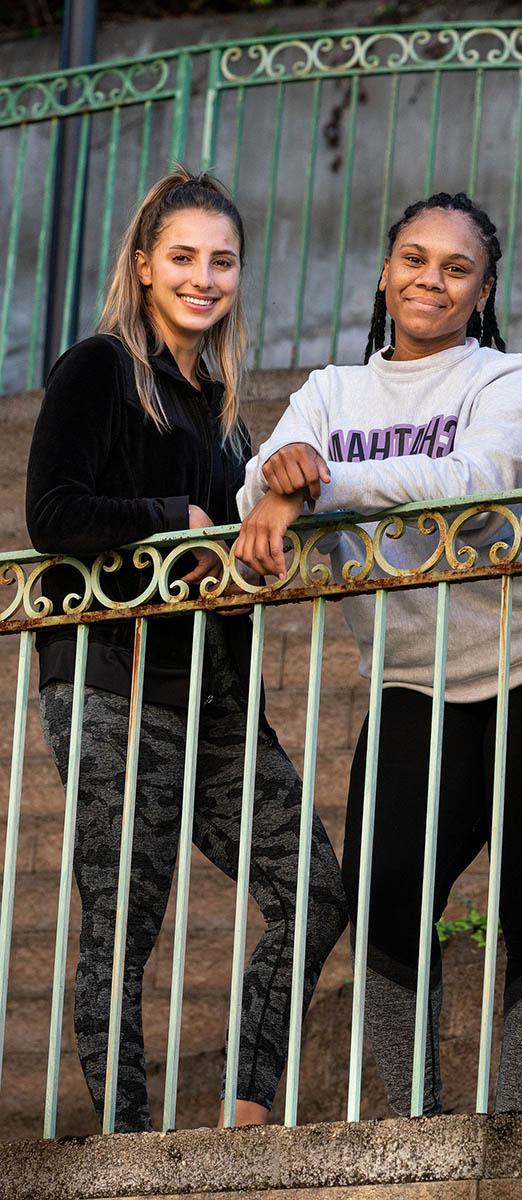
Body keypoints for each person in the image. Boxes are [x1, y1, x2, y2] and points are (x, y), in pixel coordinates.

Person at [234, 192, 522, 1115]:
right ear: (384, 272)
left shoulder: (512, 380)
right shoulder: (329, 392)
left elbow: (480, 483)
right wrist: (285, 479)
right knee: (384, 900)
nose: (431, 281)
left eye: (456, 269)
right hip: (417, 676)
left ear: (483, 291)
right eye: (414, 259)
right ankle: (414, 1123)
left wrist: (322, 482)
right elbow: (259, 477)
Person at [25, 169, 348, 1134]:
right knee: (123, 925)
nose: (204, 278)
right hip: (113, 683)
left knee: (316, 888)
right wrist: (179, 521)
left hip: (216, 699)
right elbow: (53, 514)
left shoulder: (223, 406)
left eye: (223, 261)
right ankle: (127, 1140)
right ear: (143, 265)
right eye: (183, 259)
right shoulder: (98, 367)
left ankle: (245, 1111)